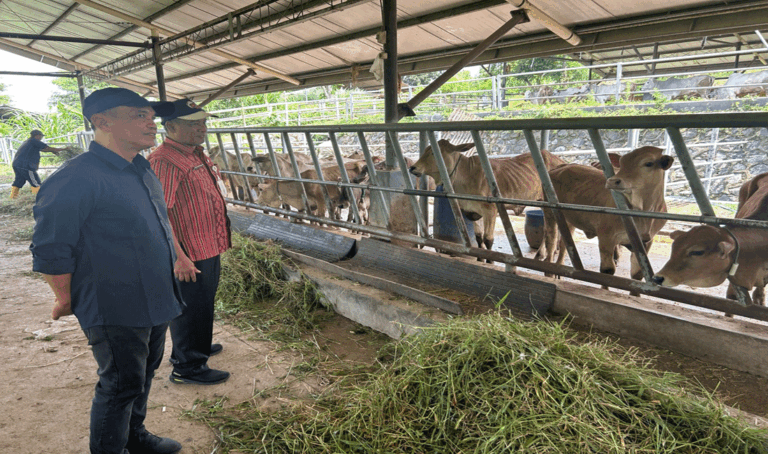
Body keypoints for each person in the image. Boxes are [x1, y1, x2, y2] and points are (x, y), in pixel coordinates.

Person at [30, 87, 184, 454]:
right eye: (137, 115)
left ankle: (136, 436)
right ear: (102, 122)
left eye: (150, 115)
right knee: (120, 384)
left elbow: (159, 223)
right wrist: (63, 298)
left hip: (158, 293)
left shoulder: (140, 166)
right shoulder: (76, 177)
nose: (151, 123)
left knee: (145, 373)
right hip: (115, 302)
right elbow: (51, 247)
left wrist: (177, 258)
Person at [148, 99, 231, 385]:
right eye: (193, 123)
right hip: (189, 251)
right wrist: (178, 257)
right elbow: (160, 212)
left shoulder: (194, 153)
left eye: (203, 122)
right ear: (170, 126)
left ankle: (196, 345)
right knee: (189, 306)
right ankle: (188, 367)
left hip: (207, 243)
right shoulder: (164, 160)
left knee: (202, 302)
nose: (201, 128)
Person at [9, 129, 65, 199]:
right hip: (26, 165)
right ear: (37, 136)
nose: (41, 138)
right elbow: (47, 148)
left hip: (17, 164)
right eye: (41, 136)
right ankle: (38, 198)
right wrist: (64, 149)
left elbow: (43, 149)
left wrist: (52, 151)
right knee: (36, 182)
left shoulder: (28, 142)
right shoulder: (34, 141)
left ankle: (13, 197)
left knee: (18, 181)